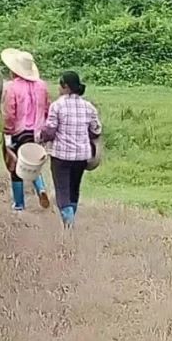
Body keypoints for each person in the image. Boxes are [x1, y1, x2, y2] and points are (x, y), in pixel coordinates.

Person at [39, 71, 103, 227]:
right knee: (74, 189)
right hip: (81, 156)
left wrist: (41, 137)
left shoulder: (57, 106)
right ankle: (70, 218)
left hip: (61, 156)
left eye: (60, 85)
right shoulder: (89, 107)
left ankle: (69, 223)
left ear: (65, 87)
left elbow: (50, 130)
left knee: (62, 191)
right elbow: (96, 130)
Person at [1, 48, 52, 211]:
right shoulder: (42, 86)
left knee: (15, 165)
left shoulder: (12, 87)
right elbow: (47, 108)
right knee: (33, 163)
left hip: (19, 131)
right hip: (38, 132)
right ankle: (41, 189)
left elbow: (10, 113)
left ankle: (19, 204)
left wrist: (7, 132)